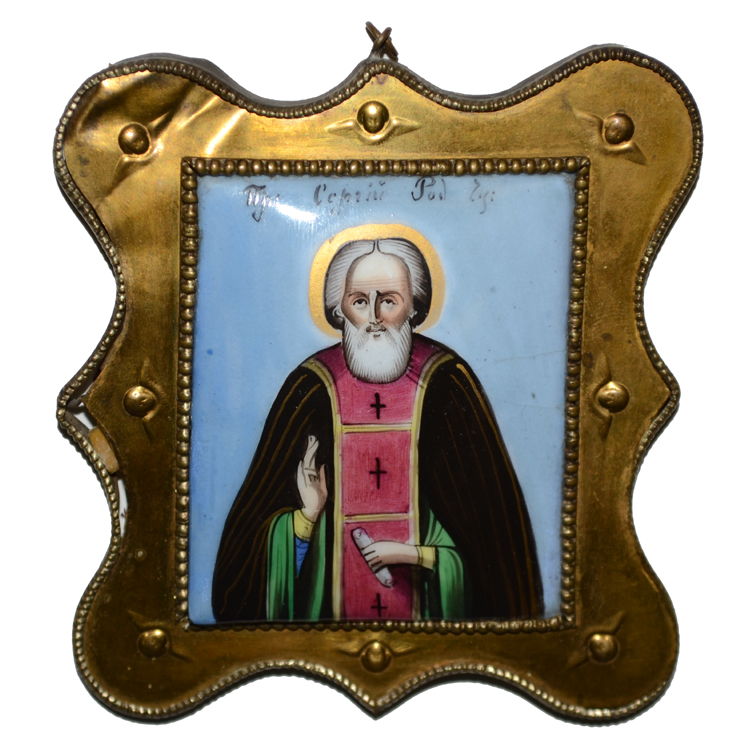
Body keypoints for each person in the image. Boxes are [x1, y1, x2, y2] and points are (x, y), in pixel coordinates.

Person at [212, 237, 543, 622]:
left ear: (414, 307)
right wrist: (306, 518)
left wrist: (413, 555)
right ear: (338, 309)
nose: (373, 317)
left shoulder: (448, 385)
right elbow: (242, 578)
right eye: (358, 301)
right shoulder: (310, 389)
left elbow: (494, 561)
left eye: (388, 301)